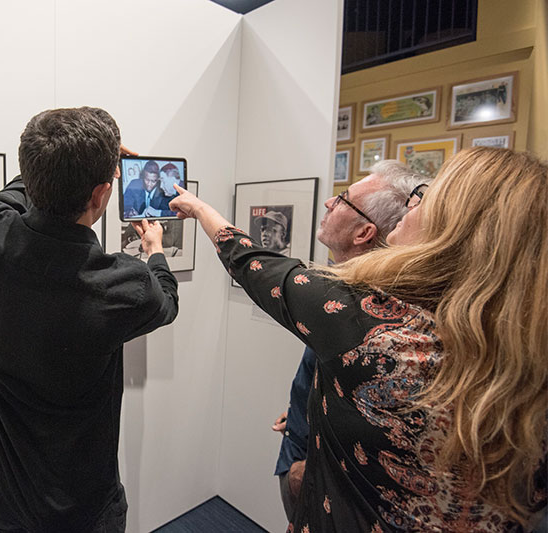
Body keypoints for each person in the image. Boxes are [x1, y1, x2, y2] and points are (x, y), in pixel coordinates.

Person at [169, 147, 547, 532]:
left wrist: (200, 209)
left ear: (450, 227)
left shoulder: (373, 319)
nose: (411, 207)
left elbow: (256, 265)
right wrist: (319, 412)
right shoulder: (524, 350)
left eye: (424, 199)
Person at [0, 107, 179, 533]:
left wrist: (74, 157)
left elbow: (21, 187)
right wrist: (154, 248)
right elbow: (167, 300)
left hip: (3, 492)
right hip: (79, 508)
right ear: (101, 194)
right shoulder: (122, 285)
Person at [271, 160, 427, 520]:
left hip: (319, 480)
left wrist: (307, 470)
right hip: (303, 445)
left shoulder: (367, 309)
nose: (328, 202)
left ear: (364, 233)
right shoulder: (346, 292)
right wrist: (310, 405)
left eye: (342, 199)